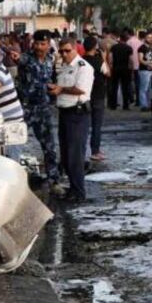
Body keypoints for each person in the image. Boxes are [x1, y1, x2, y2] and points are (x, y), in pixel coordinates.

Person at [15, 30, 62, 191]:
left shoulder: (50, 59)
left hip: (43, 107)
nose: (39, 47)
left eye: (43, 44)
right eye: (36, 43)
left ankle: (53, 179)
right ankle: (13, 180)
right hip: (26, 107)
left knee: (49, 145)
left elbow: (51, 79)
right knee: (15, 143)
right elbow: (18, 59)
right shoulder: (26, 58)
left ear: (48, 44)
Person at [51, 38, 94, 202]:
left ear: (76, 49)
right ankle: (73, 189)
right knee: (67, 155)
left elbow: (80, 89)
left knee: (75, 156)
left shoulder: (83, 67)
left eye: (67, 51)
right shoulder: (65, 67)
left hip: (77, 114)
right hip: (65, 113)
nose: (64, 54)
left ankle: (78, 192)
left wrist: (61, 89)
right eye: (61, 51)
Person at [83, 36, 109, 162]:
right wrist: (104, 59)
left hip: (84, 96)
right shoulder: (99, 61)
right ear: (95, 47)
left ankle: (81, 150)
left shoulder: (81, 60)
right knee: (96, 125)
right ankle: (95, 151)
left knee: (83, 124)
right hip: (98, 95)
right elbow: (108, 73)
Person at [107, 31, 134, 110]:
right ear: (126, 39)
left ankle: (113, 105)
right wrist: (131, 69)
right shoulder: (129, 48)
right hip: (126, 69)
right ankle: (125, 105)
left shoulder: (114, 47)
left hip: (116, 69)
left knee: (114, 87)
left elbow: (110, 58)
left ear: (120, 39)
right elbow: (131, 60)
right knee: (125, 87)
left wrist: (111, 67)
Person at [137, 31, 152, 111]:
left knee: (150, 88)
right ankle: (144, 105)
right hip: (144, 70)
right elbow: (140, 59)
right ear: (145, 38)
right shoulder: (142, 48)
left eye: (151, 38)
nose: (150, 39)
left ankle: (149, 104)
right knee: (144, 88)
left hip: (151, 70)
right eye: (148, 37)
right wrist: (149, 64)